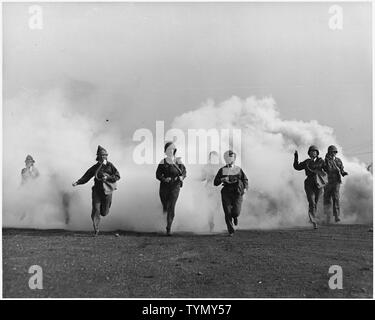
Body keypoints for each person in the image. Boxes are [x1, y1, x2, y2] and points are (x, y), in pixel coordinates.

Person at [72, 145, 120, 236]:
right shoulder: (95, 167)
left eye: (105, 155)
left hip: (107, 191)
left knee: (104, 212)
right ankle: (96, 229)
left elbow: (118, 176)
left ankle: (104, 211)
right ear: (98, 157)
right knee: (95, 209)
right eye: (102, 155)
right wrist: (77, 182)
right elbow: (86, 176)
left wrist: (108, 177)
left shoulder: (110, 166)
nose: (103, 157)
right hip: (97, 191)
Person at [214, 150, 248, 236]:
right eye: (228, 157)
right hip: (226, 192)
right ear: (225, 159)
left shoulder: (238, 169)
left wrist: (245, 188)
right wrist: (222, 179)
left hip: (237, 192)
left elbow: (245, 180)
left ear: (234, 158)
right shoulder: (222, 170)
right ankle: (231, 230)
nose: (230, 159)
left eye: (232, 157)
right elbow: (215, 182)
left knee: (236, 212)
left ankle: (235, 216)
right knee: (227, 212)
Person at [156, 142, 186, 236]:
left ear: (174, 150)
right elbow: (157, 175)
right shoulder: (163, 162)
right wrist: (164, 179)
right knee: (165, 206)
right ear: (166, 151)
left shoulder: (178, 162)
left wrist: (182, 177)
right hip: (164, 187)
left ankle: (169, 226)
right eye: (168, 149)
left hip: (175, 187)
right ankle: (164, 218)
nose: (171, 151)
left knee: (171, 206)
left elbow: (184, 172)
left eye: (172, 149)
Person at [293, 145, 325, 229]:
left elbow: (327, 169)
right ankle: (314, 221)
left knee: (316, 202)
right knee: (311, 202)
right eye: (311, 152)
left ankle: (312, 217)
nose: (312, 153)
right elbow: (297, 167)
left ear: (317, 153)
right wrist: (296, 157)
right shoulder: (306, 162)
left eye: (314, 151)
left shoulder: (321, 161)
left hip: (319, 183)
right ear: (309, 153)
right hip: (309, 183)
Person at [323, 145, 348, 223]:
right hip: (328, 182)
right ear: (328, 152)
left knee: (336, 198)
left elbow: (341, 169)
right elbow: (327, 168)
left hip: (336, 182)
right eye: (331, 152)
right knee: (327, 199)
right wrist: (327, 159)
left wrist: (343, 173)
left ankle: (337, 216)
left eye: (334, 152)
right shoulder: (326, 160)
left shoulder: (338, 160)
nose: (333, 153)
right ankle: (328, 216)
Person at [200, 151, 221, 232]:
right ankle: (210, 223)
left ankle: (217, 222)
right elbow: (203, 178)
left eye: (215, 157)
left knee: (218, 207)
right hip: (209, 188)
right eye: (211, 157)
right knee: (210, 207)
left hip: (219, 189)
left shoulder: (221, 166)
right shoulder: (206, 167)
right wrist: (194, 179)